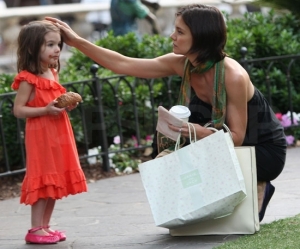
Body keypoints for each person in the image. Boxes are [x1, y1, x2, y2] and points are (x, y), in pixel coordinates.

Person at [46, 4, 286, 222]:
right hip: (220, 143)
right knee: (167, 146)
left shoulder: (233, 76)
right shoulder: (182, 64)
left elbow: (236, 137)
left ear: (201, 37)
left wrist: (195, 131)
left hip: (262, 151)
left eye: (180, 32)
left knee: (186, 143)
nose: (172, 36)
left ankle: (258, 183)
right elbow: (124, 64)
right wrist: (77, 41)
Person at [11, 20, 87, 244]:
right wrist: (45, 109)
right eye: (50, 45)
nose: (57, 49)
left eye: (59, 44)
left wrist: (64, 106)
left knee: (54, 181)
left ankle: (45, 226)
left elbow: (53, 102)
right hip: (41, 136)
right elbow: (18, 110)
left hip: (58, 134)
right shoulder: (28, 78)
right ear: (33, 48)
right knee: (43, 180)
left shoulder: (52, 73)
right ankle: (34, 229)